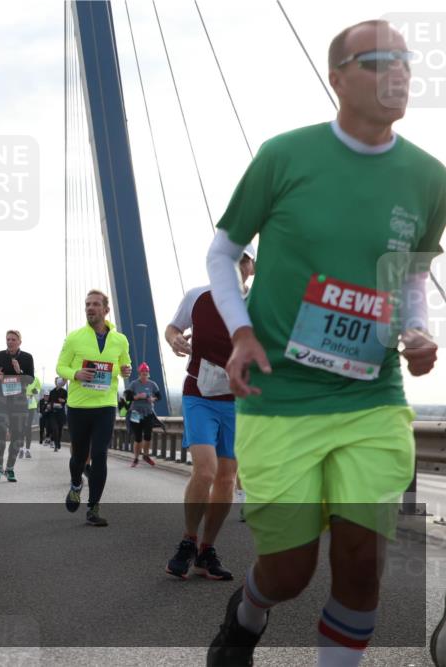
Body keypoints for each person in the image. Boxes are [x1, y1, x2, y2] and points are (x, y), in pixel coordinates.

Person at [205, 21, 444, 667]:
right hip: (280, 396)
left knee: (363, 560)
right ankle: (246, 615)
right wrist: (243, 330)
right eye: (376, 61)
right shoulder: (284, 156)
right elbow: (224, 251)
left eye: (403, 60)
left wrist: (418, 330)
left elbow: (413, 273)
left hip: (371, 396)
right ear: (337, 78)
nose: (396, 72)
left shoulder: (428, 176)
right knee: (287, 570)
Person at [163, 246, 255, 581]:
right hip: (199, 393)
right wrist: (175, 341)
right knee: (205, 471)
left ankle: (206, 550)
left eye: (242, 259)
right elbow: (172, 327)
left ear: (252, 268)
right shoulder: (197, 296)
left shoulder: (259, 304)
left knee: (227, 479)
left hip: (237, 402)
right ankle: (188, 540)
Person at [56, 290, 131, 527]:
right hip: (78, 406)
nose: (90, 308)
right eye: (87, 304)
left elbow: (123, 364)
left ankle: (93, 507)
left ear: (106, 310)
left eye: (96, 304)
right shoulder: (75, 337)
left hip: (105, 406)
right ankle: (76, 483)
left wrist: (125, 370)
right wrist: (75, 373)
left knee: (99, 455)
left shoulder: (120, 340)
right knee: (79, 456)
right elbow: (61, 366)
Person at [0, 330, 35, 482]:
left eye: (13, 339)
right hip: (2, 401)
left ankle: (9, 468)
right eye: (8, 339)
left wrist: (19, 371)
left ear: (19, 342)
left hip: (19, 403)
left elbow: (30, 379)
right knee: (0, 433)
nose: (10, 342)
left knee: (17, 436)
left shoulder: (27, 357)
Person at [124, 363, 161, 467]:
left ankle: (146, 455)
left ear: (148, 374)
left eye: (146, 374)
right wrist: (137, 396)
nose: (144, 376)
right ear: (139, 374)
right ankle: (136, 458)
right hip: (136, 413)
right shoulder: (133, 384)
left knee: (148, 436)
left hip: (148, 413)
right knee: (138, 437)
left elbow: (159, 396)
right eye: (142, 374)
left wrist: (152, 399)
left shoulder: (152, 384)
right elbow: (127, 397)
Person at [20, 375, 42, 459]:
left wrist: (36, 390)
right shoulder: (21, 377)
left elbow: (38, 388)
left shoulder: (36, 378)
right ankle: (21, 449)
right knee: (21, 427)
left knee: (28, 427)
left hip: (31, 404)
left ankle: (28, 450)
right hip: (21, 404)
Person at [48, 377, 68, 450]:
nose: (57, 382)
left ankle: (58, 442)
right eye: (56, 381)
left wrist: (63, 401)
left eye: (58, 381)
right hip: (53, 413)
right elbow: (49, 401)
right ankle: (56, 444)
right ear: (55, 382)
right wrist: (49, 405)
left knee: (59, 429)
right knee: (55, 429)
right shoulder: (52, 392)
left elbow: (66, 400)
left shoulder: (64, 392)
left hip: (61, 414)